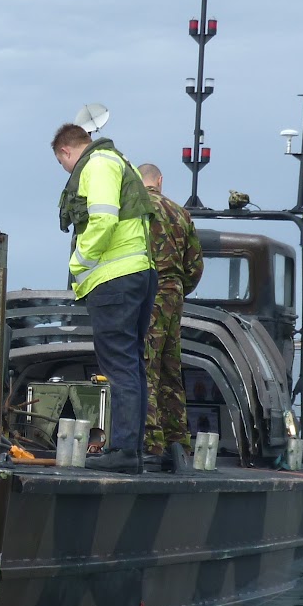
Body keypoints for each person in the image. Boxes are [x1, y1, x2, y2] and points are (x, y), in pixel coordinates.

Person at [51, 123, 157, 472]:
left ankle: (124, 453)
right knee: (132, 365)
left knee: (119, 367)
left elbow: (102, 221)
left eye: (61, 163)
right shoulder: (118, 162)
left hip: (114, 280)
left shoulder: (96, 165)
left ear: (66, 151)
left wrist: (78, 264)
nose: (66, 170)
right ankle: (132, 450)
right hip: (138, 275)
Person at [137, 163, 204, 469]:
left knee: (144, 366)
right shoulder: (181, 213)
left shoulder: (135, 208)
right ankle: (178, 440)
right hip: (174, 295)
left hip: (147, 290)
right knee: (170, 368)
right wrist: (177, 288)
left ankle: (150, 442)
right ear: (160, 181)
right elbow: (195, 266)